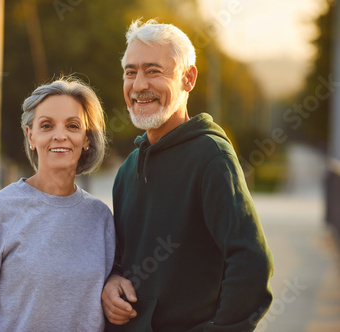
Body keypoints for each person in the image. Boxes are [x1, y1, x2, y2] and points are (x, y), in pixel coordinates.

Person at [101, 19, 274, 331]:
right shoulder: (127, 169)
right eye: (131, 71)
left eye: (153, 71)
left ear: (188, 78)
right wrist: (113, 279)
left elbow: (251, 262)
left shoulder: (211, 157)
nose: (139, 85)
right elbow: (122, 258)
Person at [0, 77, 115, 331]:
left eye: (72, 126)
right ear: (31, 136)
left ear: (86, 139)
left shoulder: (101, 217)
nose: (59, 136)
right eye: (47, 126)